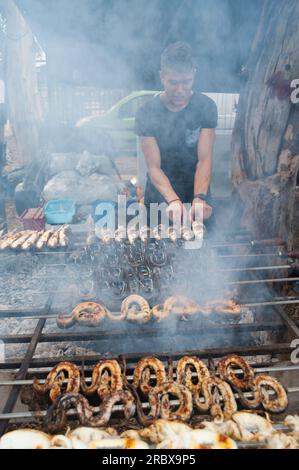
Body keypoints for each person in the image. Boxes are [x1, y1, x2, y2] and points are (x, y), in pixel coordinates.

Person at [135, 42, 217, 230]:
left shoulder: (206, 107)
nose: (180, 90)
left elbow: (204, 160)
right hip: (160, 196)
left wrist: (200, 197)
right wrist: (173, 200)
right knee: (155, 253)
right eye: (173, 82)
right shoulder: (146, 113)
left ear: (194, 75)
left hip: (197, 193)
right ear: (162, 77)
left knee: (202, 251)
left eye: (186, 82)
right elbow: (153, 167)